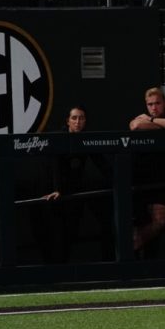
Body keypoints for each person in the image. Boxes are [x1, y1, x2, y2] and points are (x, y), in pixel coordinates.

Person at [39, 106, 113, 263]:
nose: (78, 122)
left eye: (81, 118)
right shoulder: (59, 138)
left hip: (73, 192)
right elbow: (55, 164)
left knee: (71, 232)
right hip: (53, 193)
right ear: (68, 121)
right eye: (74, 118)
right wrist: (56, 189)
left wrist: (119, 182)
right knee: (56, 234)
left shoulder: (86, 139)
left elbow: (102, 164)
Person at [128, 87, 165, 254]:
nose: (154, 108)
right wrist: (163, 126)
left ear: (164, 103)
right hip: (141, 181)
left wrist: (153, 121)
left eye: (157, 103)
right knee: (143, 223)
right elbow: (136, 125)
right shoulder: (142, 118)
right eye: (150, 104)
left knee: (162, 221)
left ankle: (133, 245)